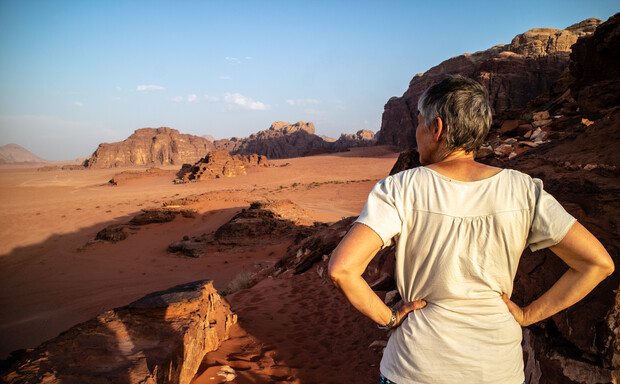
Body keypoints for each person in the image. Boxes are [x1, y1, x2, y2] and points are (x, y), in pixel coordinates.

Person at [328, 75, 614, 384]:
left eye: (420, 123)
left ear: (436, 128)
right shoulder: (523, 190)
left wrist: (391, 318)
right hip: (496, 370)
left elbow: (342, 269)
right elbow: (598, 263)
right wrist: (526, 315)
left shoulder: (400, 188)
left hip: (414, 369)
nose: (417, 132)